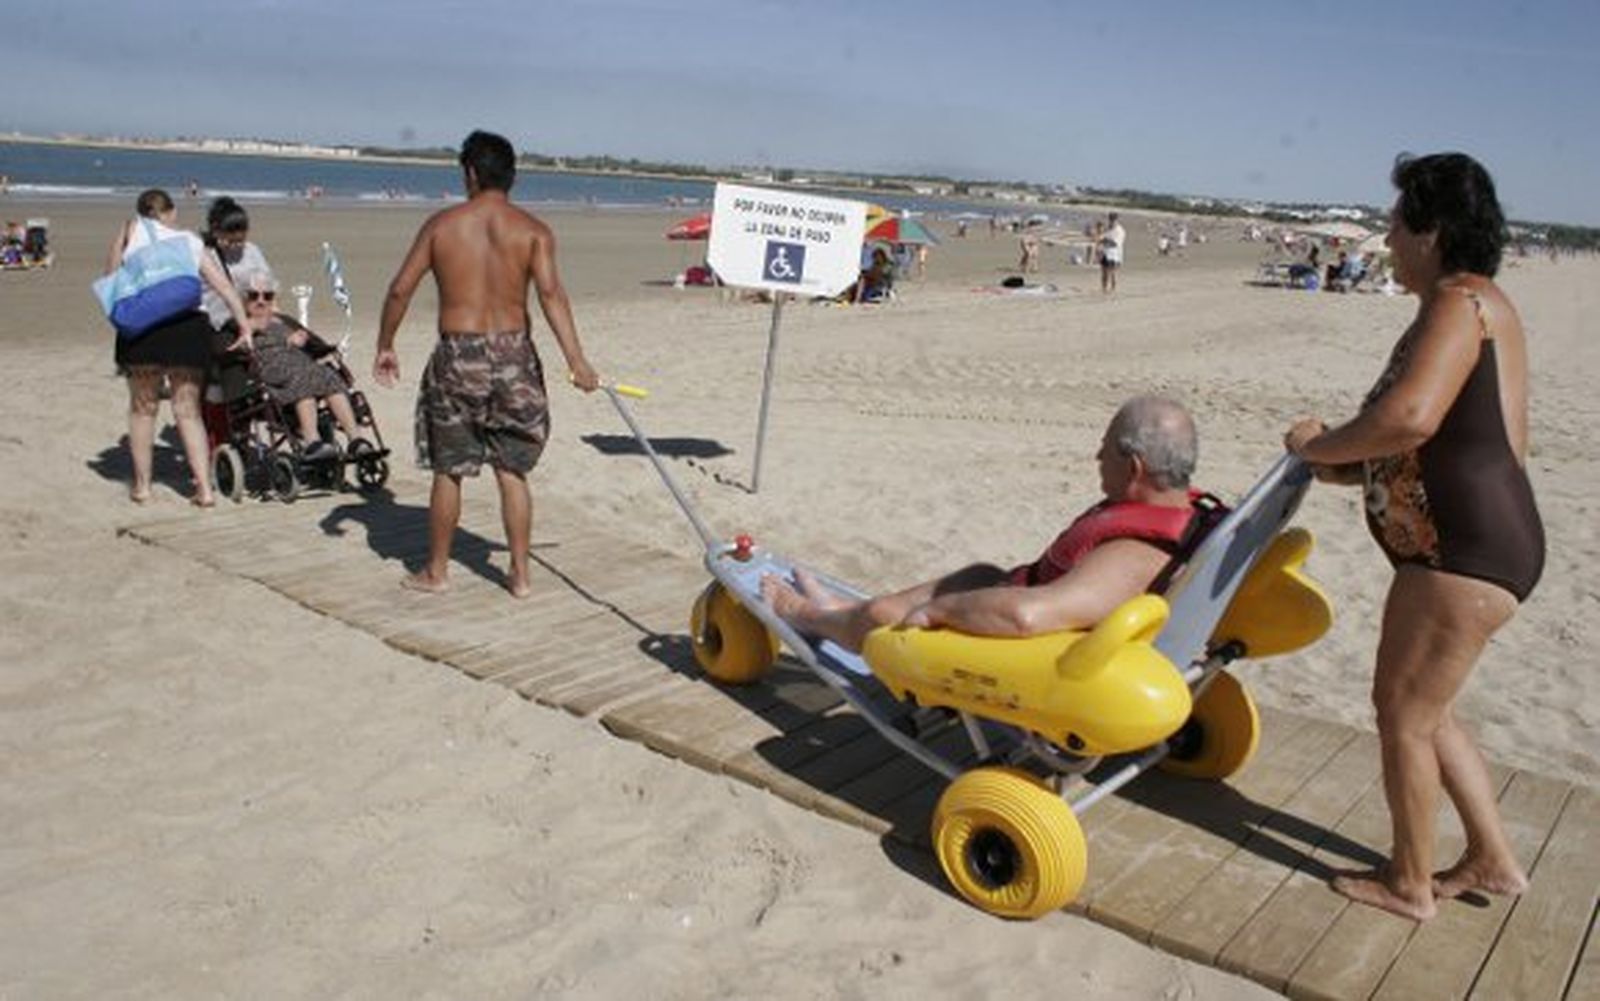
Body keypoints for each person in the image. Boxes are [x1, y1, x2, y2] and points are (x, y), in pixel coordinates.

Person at [1285, 152, 1543, 922]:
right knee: (1431, 710)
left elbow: (1409, 417)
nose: (1390, 238)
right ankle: (1491, 857)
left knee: (1401, 711)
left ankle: (1409, 882)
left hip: (1459, 553)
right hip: (1490, 541)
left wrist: (1315, 445)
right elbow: (1451, 439)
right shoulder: (1485, 304)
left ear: (1432, 231)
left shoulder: (1456, 302)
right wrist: (1341, 464)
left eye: (1398, 223)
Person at [763, 397, 1205, 653]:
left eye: (1105, 450)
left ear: (1133, 467)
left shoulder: (1131, 555)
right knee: (980, 575)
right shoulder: (1186, 514)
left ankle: (805, 616)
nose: (1097, 458)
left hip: (1028, 655)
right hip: (1035, 604)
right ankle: (838, 612)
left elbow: (1026, 617)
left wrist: (940, 612)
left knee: (883, 620)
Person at [374, 129, 601, 599]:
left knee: (449, 468)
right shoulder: (534, 231)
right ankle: (520, 576)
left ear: (470, 173)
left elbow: (400, 289)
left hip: (459, 355)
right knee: (511, 469)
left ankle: (437, 572)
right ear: (511, 176)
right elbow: (552, 295)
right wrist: (576, 360)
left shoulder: (443, 225)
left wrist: (386, 344)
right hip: (515, 354)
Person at [104, 188, 252, 506]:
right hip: (187, 329)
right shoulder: (188, 240)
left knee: (143, 410)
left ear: (140, 216)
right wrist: (244, 325)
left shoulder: (130, 235)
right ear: (170, 212)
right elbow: (223, 287)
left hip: (142, 331)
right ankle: (204, 490)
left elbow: (111, 279)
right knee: (188, 412)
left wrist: (122, 236)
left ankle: (143, 487)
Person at [234, 272, 368, 460]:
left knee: (327, 374)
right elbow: (237, 346)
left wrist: (305, 340)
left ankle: (355, 440)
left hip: (299, 363)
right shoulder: (241, 323)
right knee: (303, 376)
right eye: (254, 296)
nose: (261, 301)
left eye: (267, 296)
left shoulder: (283, 320)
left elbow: (312, 342)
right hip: (270, 369)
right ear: (243, 299)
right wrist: (281, 338)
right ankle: (312, 441)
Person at [1100, 212, 1126, 293]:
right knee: (1104, 272)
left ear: (1117, 220)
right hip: (1106, 253)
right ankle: (1104, 289)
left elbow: (1115, 243)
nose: (1111, 221)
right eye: (1110, 219)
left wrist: (1105, 240)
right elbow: (1102, 237)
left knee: (1112, 273)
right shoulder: (1107, 228)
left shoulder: (1120, 230)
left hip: (1115, 255)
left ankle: (1113, 289)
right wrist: (1101, 240)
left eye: (1113, 220)